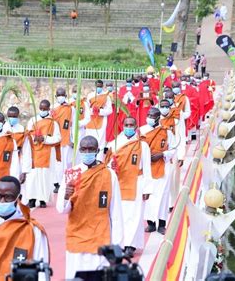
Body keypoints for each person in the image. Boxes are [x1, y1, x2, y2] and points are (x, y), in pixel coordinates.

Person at [56, 136, 123, 279]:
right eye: (84, 149)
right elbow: (62, 210)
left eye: (91, 149)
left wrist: (117, 246)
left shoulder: (109, 174)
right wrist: (66, 197)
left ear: (97, 150)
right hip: (77, 234)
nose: (87, 152)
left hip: (100, 235)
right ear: (79, 150)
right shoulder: (71, 173)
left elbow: (116, 212)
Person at [106, 117, 152, 256]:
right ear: (122, 125)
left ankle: (130, 246)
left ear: (136, 126)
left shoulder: (142, 145)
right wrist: (110, 166)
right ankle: (120, 243)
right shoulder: (114, 143)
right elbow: (107, 163)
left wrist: (147, 188)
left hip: (136, 182)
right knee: (119, 215)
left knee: (134, 215)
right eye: (126, 124)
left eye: (131, 125)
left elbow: (147, 167)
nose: (129, 127)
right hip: (119, 182)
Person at [140, 108, 176, 235]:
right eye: (148, 114)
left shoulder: (166, 132)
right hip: (147, 168)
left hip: (162, 167)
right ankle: (151, 224)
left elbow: (173, 149)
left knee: (163, 195)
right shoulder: (142, 130)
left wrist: (161, 154)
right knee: (148, 196)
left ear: (157, 117)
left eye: (152, 115)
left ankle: (161, 224)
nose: (149, 117)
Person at [24, 100, 61, 208]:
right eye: (41, 108)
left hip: (47, 153)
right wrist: (35, 138)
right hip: (34, 152)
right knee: (33, 177)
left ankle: (42, 200)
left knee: (45, 177)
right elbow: (27, 134)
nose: (43, 110)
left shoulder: (53, 122)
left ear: (49, 109)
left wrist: (44, 138)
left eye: (45, 109)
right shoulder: (32, 120)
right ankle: (31, 199)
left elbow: (58, 138)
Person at [52, 87, 73, 193]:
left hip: (66, 139)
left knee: (67, 162)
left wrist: (72, 139)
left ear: (65, 96)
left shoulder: (70, 108)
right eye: (58, 95)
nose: (60, 97)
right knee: (57, 163)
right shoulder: (53, 108)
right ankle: (57, 183)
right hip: (55, 139)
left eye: (62, 95)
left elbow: (73, 124)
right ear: (56, 96)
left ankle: (65, 183)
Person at [85, 80, 113, 159]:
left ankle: (99, 159)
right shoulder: (90, 95)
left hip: (101, 121)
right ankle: (89, 158)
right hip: (91, 121)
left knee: (100, 141)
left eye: (100, 86)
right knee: (89, 140)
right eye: (98, 86)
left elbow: (110, 110)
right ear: (95, 86)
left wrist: (100, 111)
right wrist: (92, 111)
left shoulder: (106, 97)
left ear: (102, 86)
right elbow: (86, 108)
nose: (99, 88)